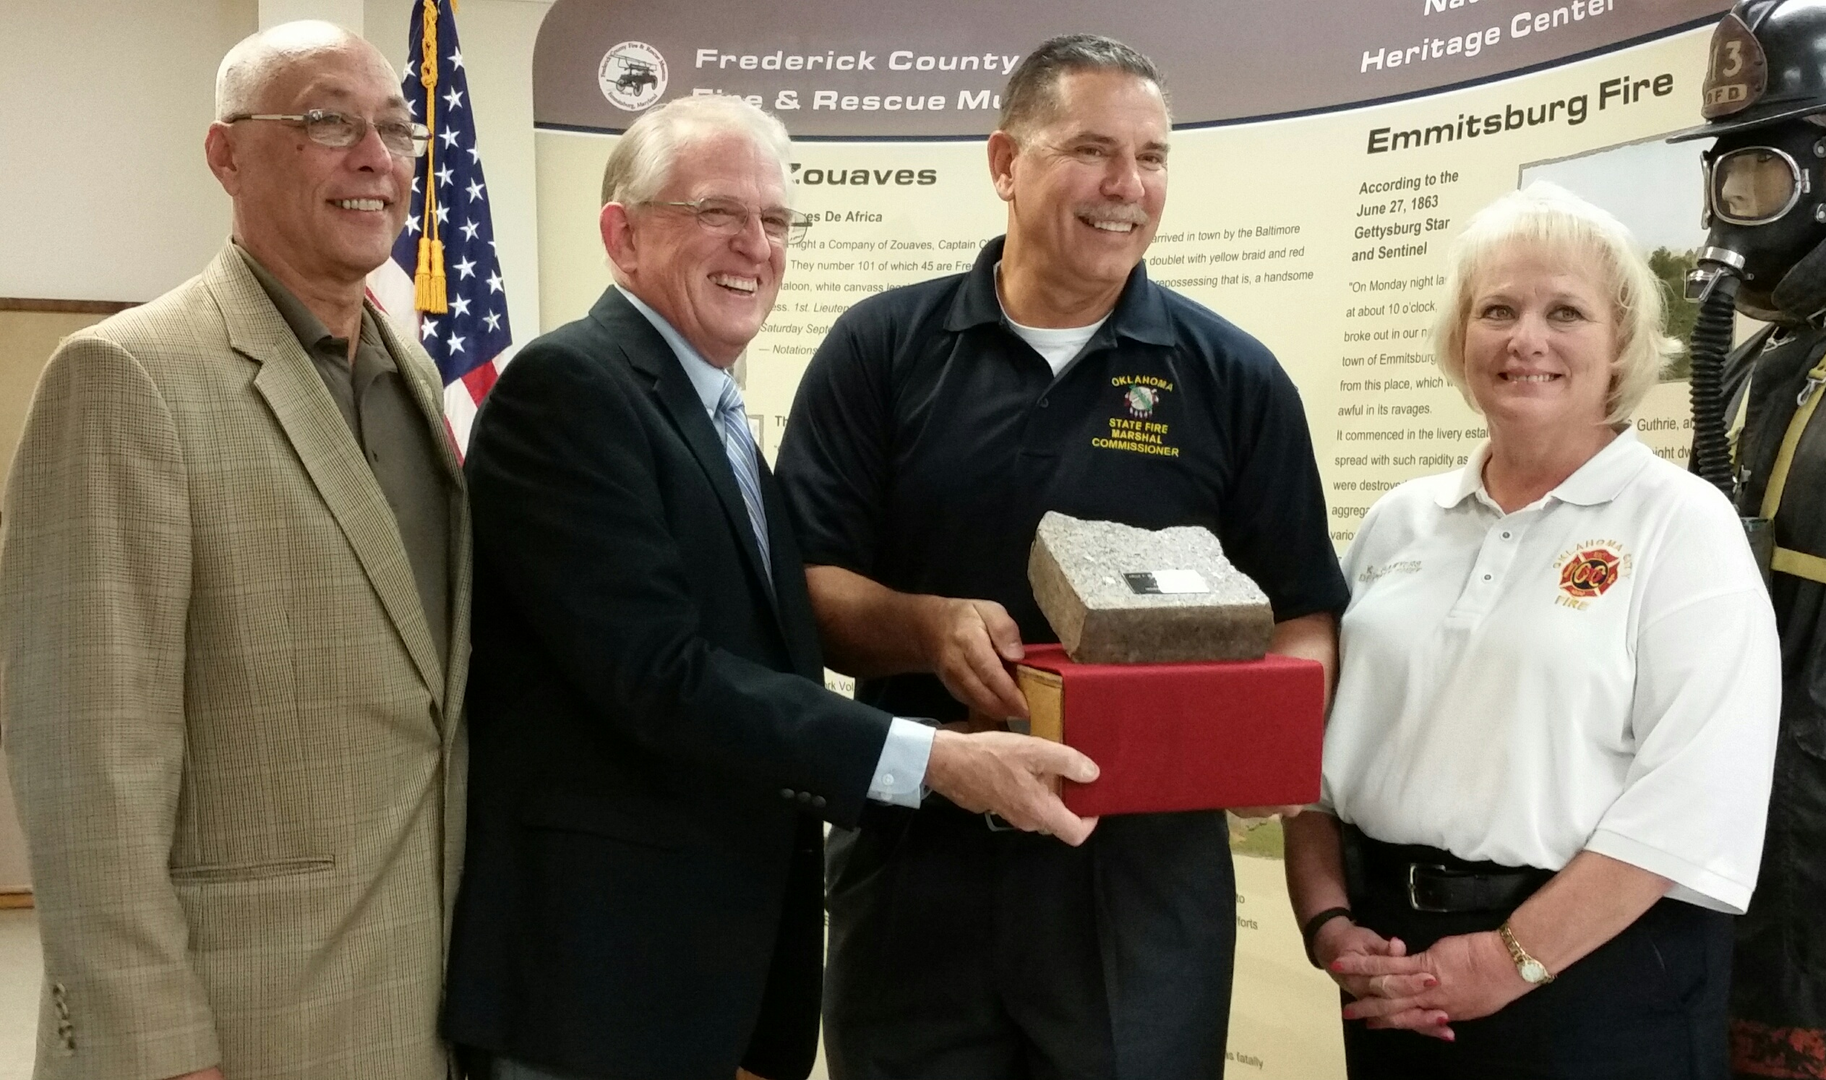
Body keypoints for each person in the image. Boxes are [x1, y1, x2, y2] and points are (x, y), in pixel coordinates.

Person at [439, 94, 1098, 1080]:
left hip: (707, 982)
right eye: (718, 212)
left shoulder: (718, 415)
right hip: (601, 990)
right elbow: (661, 676)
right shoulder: (570, 391)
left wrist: (947, 744)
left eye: (777, 220)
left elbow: (756, 668)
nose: (756, 245)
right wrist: (930, 760)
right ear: (622, 235)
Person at [777, 34, 1347, 1080]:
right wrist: (926, 625)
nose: (1128, 187)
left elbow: (1303, 608)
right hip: (920, 858)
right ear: (1005, 163)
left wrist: (1273, 749)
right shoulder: (880, 349)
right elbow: (807, 586)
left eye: (1153, 157)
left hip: (1137, 889)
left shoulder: (1234, 378)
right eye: (1092, 150)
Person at [0, 21, 468, 1080]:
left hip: (415, 1012)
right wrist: (159, 1051)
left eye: (396, 129)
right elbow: (85, 767)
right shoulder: (125, 381)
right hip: (236, 1033)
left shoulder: (416, 382)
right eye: (326, 121)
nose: (375, 158)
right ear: (226, 155)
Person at [1285, 182, 1781, 1078]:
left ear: (1624, 340)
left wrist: (1509, 957)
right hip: (1394, 972)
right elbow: (1312, 761)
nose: (1527, 340)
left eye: (1566, 312)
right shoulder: (1400, 522)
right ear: (1460, 335)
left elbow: (1698, 797)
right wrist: (1328, 924)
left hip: (1599, 978)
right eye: (1498, 310)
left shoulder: (1681, 523)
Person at [1668, 3, 1826, 1075]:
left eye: (1760, 175)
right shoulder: (1781, 348)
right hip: (1747, 817)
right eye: (1725, 178)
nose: (1736, 210)